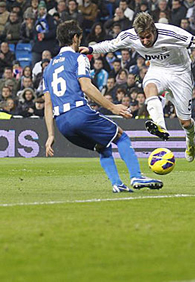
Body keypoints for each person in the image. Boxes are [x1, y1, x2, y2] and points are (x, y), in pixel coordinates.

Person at [43, 20, 162, 193]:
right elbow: (86, 87)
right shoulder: (79, 58)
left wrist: (50, 135)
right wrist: (113, 107)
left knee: (102, 146)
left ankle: (117, 184)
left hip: (62, 124)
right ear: (75, 38)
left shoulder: (48, 68)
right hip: (79, 113)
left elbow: (48, 104)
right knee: (121, 136)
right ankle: (136, 176)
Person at [80, 12, 195, 162]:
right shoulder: (130, 36)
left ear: (154, 30)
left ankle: (190, 140)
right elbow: (111, 44)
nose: (144, 41)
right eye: (141, 37)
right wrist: (91, 49)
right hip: (157, 69)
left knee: (185, 122)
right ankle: (160, 126)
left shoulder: (170, 33)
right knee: (149, 87)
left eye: (147, 37)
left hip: (180, 73)